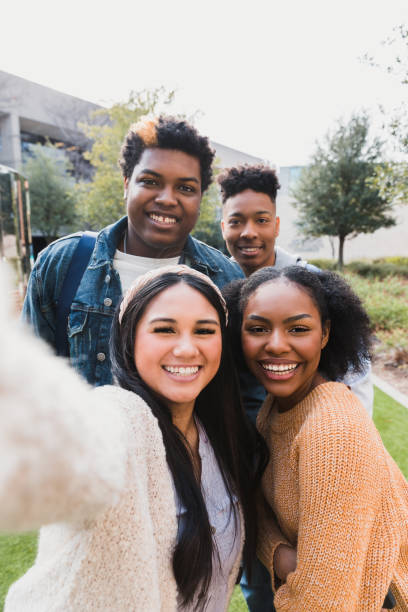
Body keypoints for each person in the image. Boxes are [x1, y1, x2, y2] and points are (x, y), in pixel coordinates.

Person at [1, 264, 265, 611]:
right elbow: (66, 459)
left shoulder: (221, 438)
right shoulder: (120, 417)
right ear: (130, 337)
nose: (186, 349)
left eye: (204, 330)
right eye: (165, 329)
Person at [219, 163, 374, 612]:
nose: (249, 232)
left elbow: (356, 381)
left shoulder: (310, 282)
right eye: (236, 221)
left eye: (261, 220)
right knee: (261, 581)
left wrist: (344, 445)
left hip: (317, 454)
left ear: (276, 223)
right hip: (257, 454)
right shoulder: (214, 277)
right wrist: (276, 554)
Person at [224, 265, 407, 611]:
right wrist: (282, 556)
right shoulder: (277, 409)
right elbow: (259, 510)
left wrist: (300, 569)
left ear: (324, 335)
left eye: (298, 328)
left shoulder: (332, 432)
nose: (276, 345)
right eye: (258, 328)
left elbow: (321, 604)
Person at [22, 115, 244, 387]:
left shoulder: (225, 278)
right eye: (150, 181)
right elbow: (27, 381)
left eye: (185, 188)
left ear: (200, 198)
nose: (166, 199)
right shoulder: (63, 263)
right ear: (126, 184)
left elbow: (243, 392)